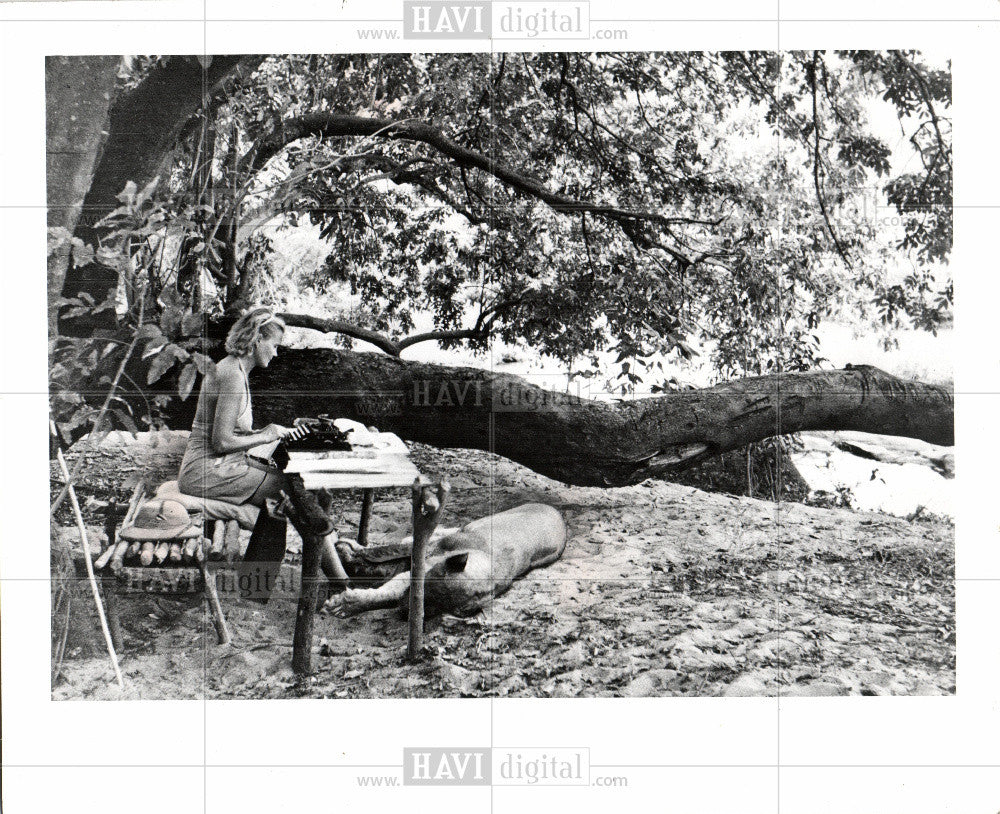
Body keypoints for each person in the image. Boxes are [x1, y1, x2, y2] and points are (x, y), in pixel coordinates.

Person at [178, 306, 347, 601]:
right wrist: (265, 436)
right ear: (257, 339)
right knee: (295, 493)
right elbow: (220, 442)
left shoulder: (236, 370)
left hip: (219, 464)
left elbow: (234, 434)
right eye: (275, 345)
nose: (277, 353)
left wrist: (272, 431)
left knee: (292, 486)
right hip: (204, 470)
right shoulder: (230, 374)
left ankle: (260, 585)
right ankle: (340, 582)